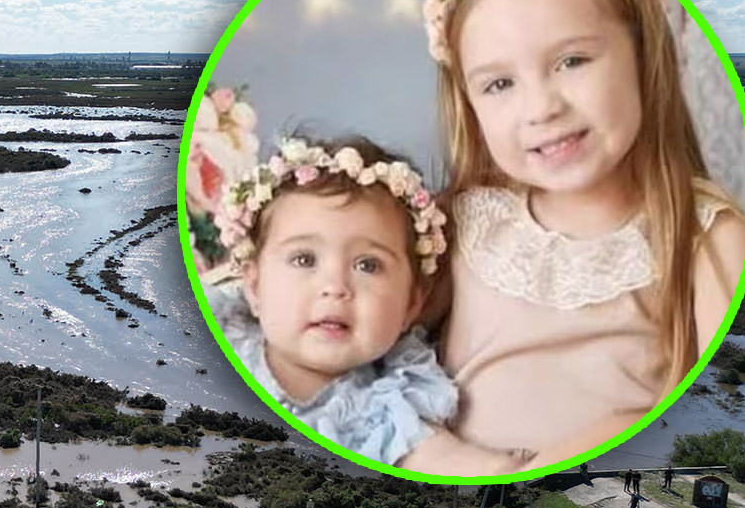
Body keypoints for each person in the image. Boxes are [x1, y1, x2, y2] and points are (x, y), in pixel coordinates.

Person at [425, 0, 745, 464]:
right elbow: (364, 361)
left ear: (643, 58)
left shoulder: (705, 238)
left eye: (571, 61)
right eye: (500, 83)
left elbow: (719, 415)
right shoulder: (462, 225)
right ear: (469, 103)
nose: (542, 107)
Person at [210, 125, 525, 474]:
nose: (335, 287)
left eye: (367, 265)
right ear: (254, 287)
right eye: (304, 259)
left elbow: (436, 455)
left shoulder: (387, 402)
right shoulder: (217, 338)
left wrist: (494, 471)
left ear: (410, 306)